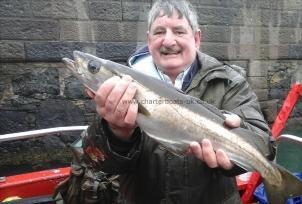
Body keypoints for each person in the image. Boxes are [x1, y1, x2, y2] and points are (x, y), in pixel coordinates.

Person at [82, 0, 275, 203]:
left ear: (197, 38)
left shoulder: (229, 82)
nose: (168, 41)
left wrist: (237, 132)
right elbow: (97, 161)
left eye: (179, 31)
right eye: (159, 32)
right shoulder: (120, 88)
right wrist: (117, 133)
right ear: (149, 40)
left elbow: (265, 145)